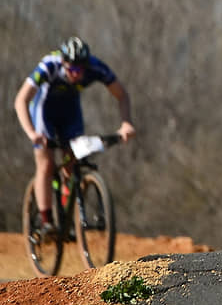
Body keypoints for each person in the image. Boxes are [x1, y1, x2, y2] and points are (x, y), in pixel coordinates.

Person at [14, 36, 135, 235]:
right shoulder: (49, 65)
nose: (76, 75)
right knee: (45, 163)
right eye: (72, 70)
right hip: (44, 112)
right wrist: (32, 133)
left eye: (81, 70)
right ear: (63, 63)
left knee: (72, 160)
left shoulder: (96, 68)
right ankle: (46, 221)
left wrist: (126, 123)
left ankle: (66, 217)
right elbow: (21, 100)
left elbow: (121, 94)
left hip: (70, 113)